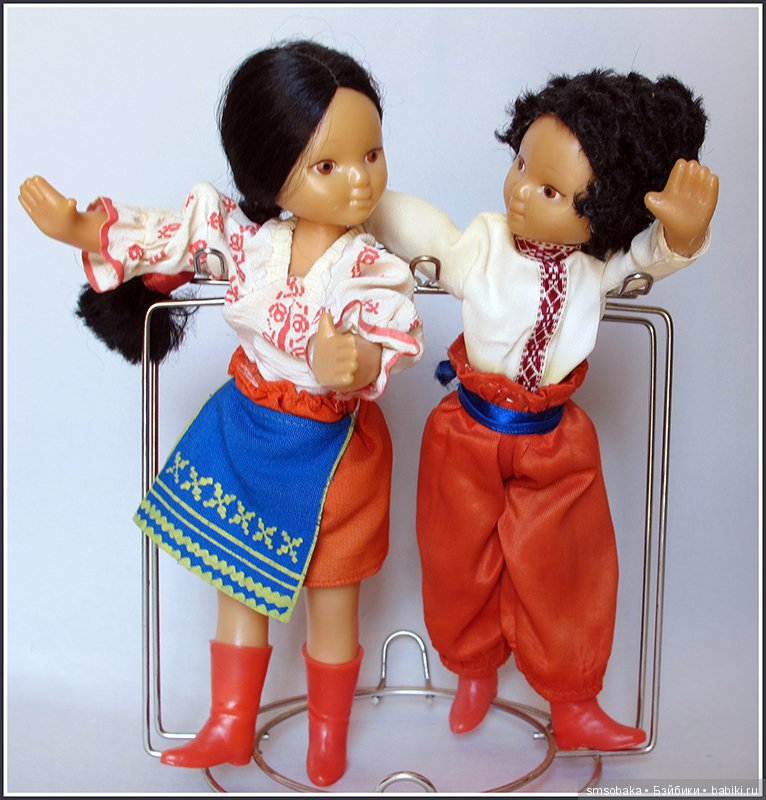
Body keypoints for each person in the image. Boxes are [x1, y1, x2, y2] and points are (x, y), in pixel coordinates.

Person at [19, 39, 423, 786]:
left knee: (333, 599)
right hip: (249, 431)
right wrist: (82, 229)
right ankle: (230, 722)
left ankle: (327, 733)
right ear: (271, 170)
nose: (360, 180)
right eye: (328, 166)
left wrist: (359, 360)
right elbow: (170, 236)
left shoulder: (370, 265)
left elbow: (387, 325)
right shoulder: (248, 241)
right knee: (238, 583)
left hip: (333, 456)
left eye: (372, 155)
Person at [364, 69, 718, 751]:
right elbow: (430, 233)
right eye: (522, 165)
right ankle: (473, 669)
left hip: (553, 437)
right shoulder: (486, 244)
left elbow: (647, 257)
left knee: (568, 566)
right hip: (469, 428)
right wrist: (371, 204)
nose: (521, 191)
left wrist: (682, 236)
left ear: (605, 209)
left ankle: (574, 700)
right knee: (456, 555)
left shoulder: (597, 266)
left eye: (551, 190)